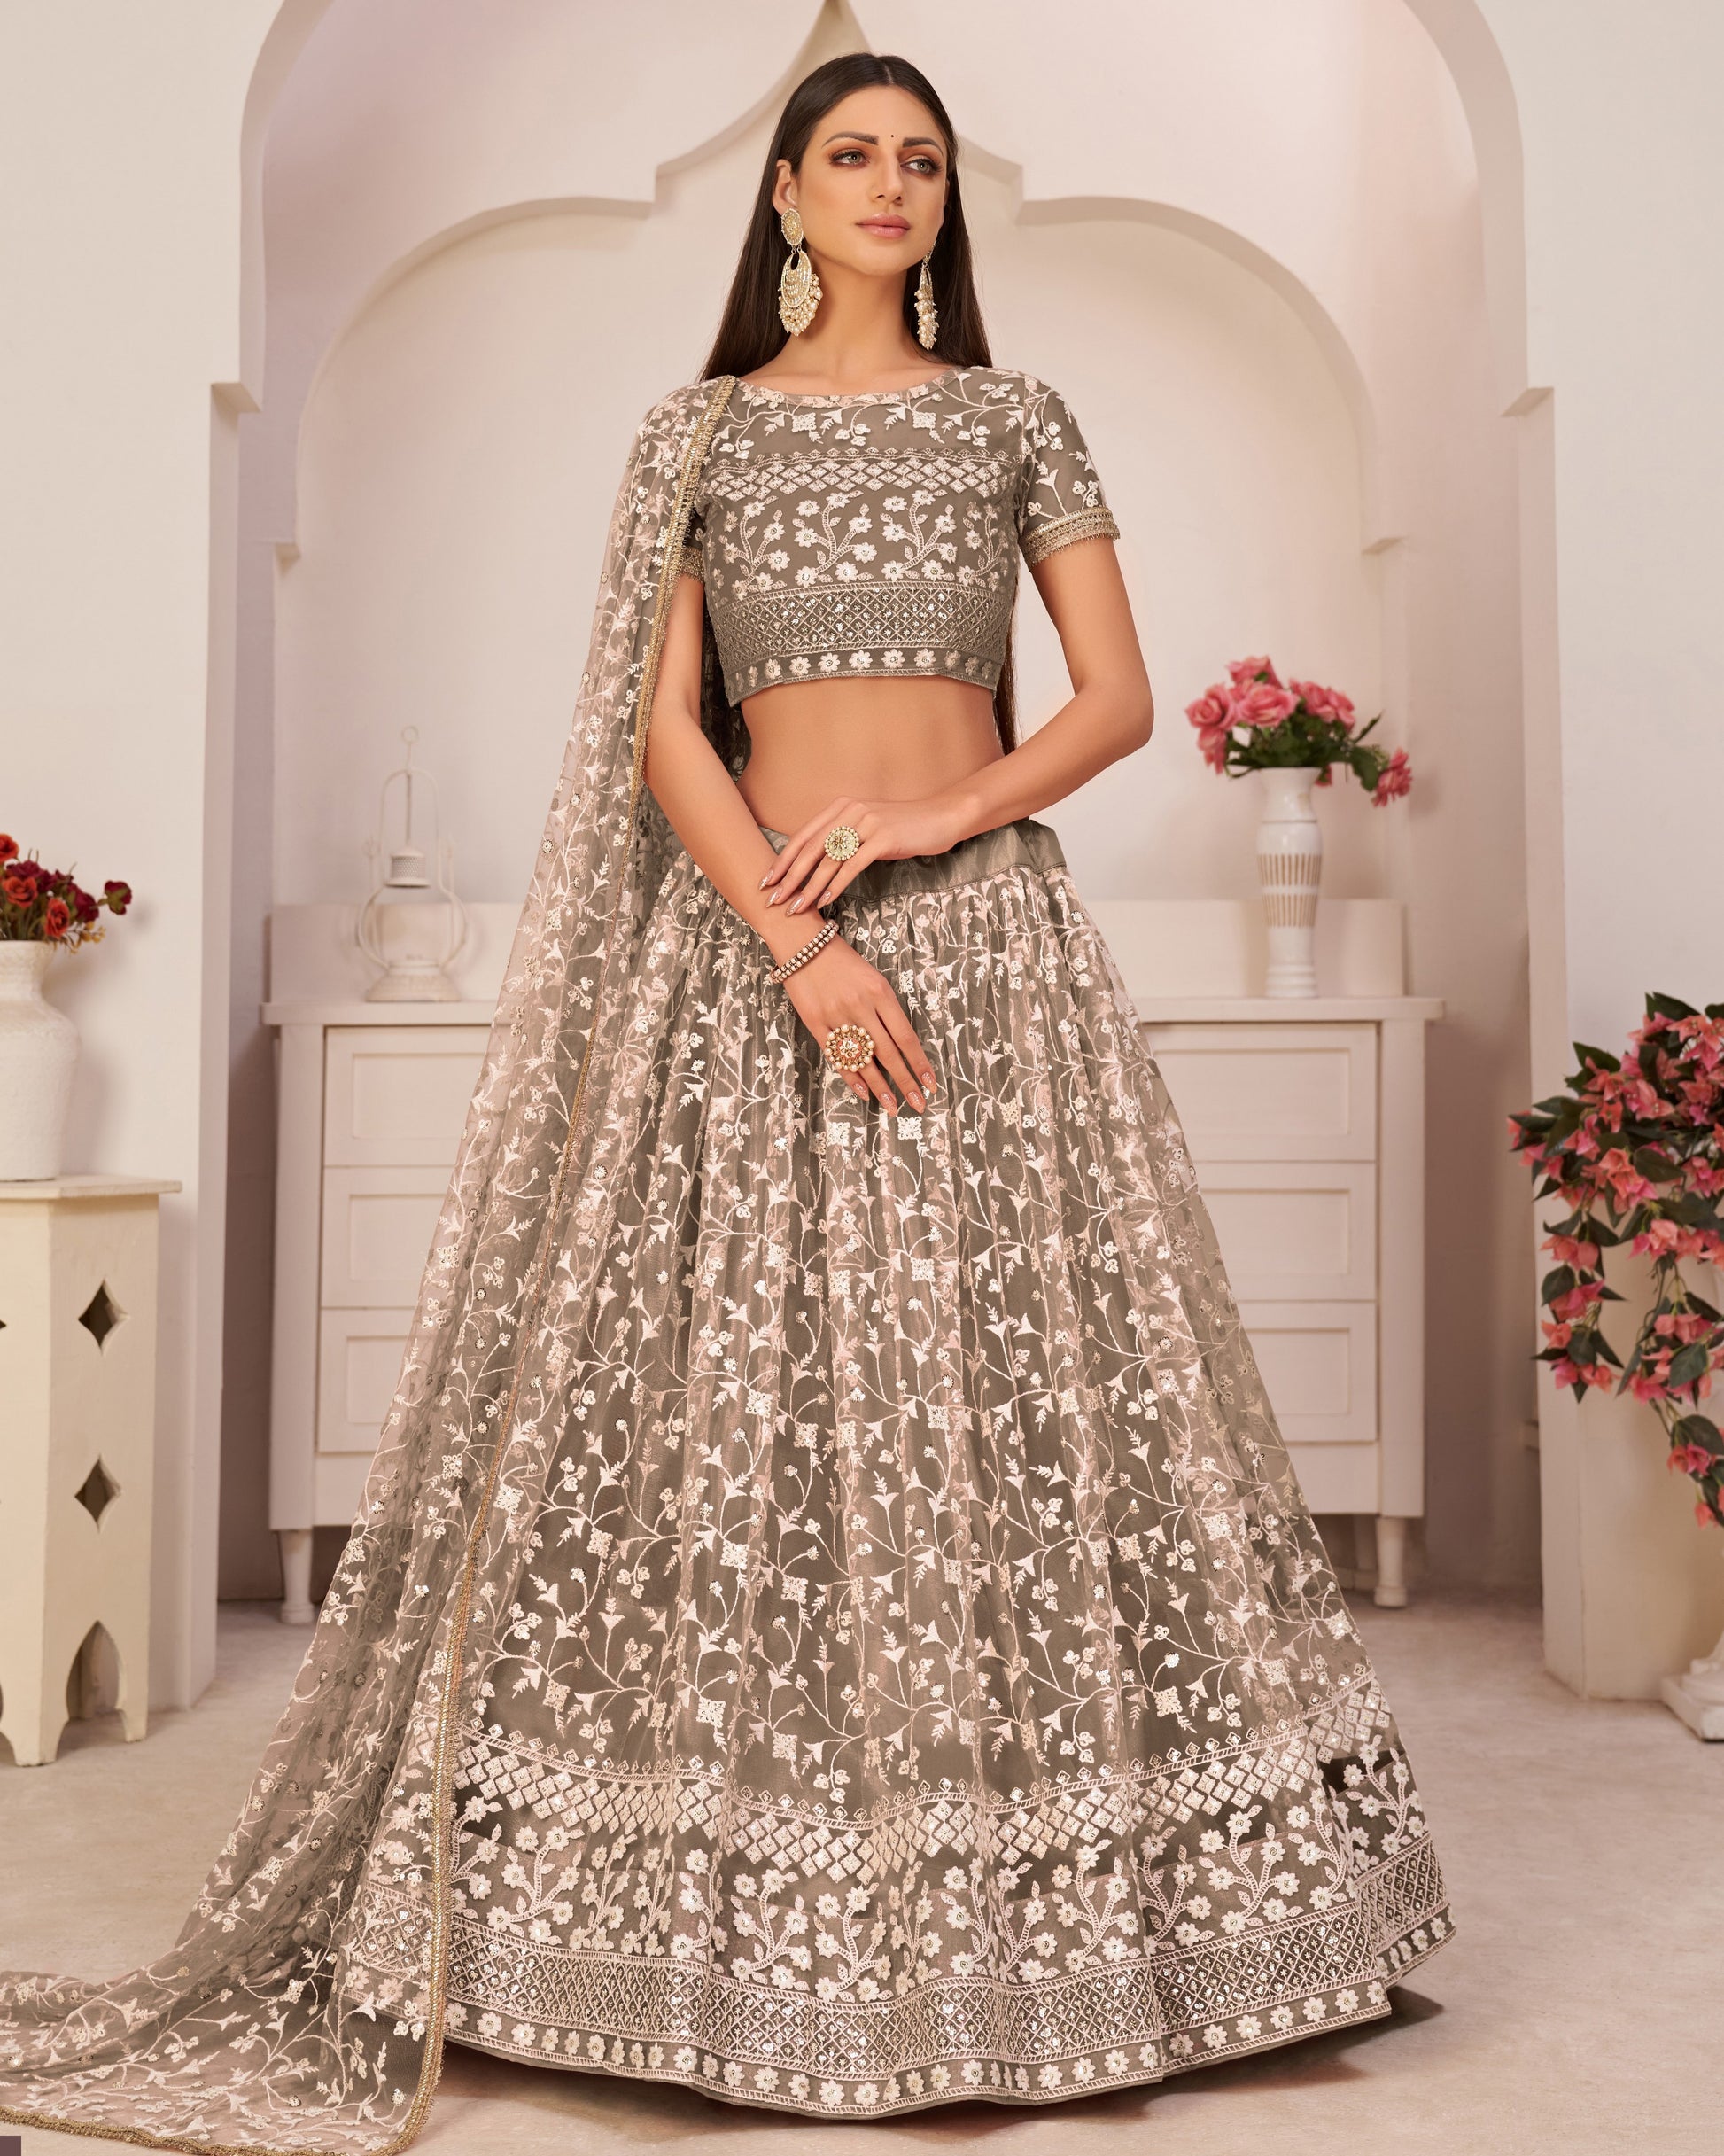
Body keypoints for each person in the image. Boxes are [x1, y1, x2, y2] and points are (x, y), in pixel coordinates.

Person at [0, 51, 1452, 2146]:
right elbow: (665, 725)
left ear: (950, 202)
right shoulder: (696, 432)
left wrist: (945, 814)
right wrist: (797, 936)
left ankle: (1061, 1911)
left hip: (988, 962)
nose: (889, 186)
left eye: (921, 161)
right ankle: (688, 1915)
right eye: (852, 156)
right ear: (783, 194)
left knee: (1009, 1403)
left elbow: (1118, 697)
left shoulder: (1012, 414)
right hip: (755, 958)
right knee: (721, 1417)